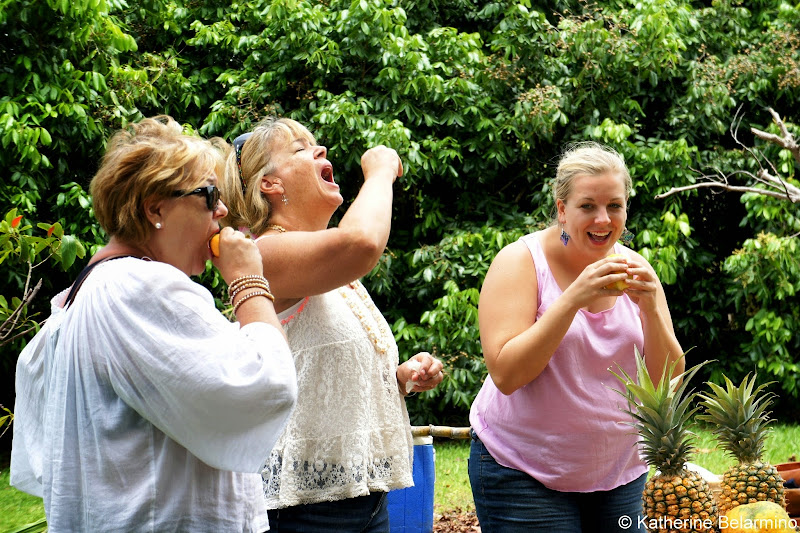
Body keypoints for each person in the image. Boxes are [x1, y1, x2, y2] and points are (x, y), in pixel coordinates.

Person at [10, 116, 298, 532]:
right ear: (155, 208)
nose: (222, 210)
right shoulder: (140, 288)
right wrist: (247, 279)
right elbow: (268, 386)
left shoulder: (80, 298)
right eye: (208, 194)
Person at [218, 117, 444, 532]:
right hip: (305, 509)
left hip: (364, 497)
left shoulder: (336, 277)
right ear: (270, 184)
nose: (320, 150)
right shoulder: (263, 253)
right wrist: (379, 171)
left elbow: (319, 372)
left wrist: (400, 376)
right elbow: (361, 240)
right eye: (301, 148)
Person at [468, 141, 684, 532]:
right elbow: (507, 374)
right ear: (562, 209)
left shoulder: (636, 267)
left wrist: (651, 309)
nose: (603, 220)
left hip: (620, 474)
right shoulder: (521, 262)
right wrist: (571, 301)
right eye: (588, 206)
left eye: (614, 206)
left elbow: (666, 381)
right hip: (523, 472)